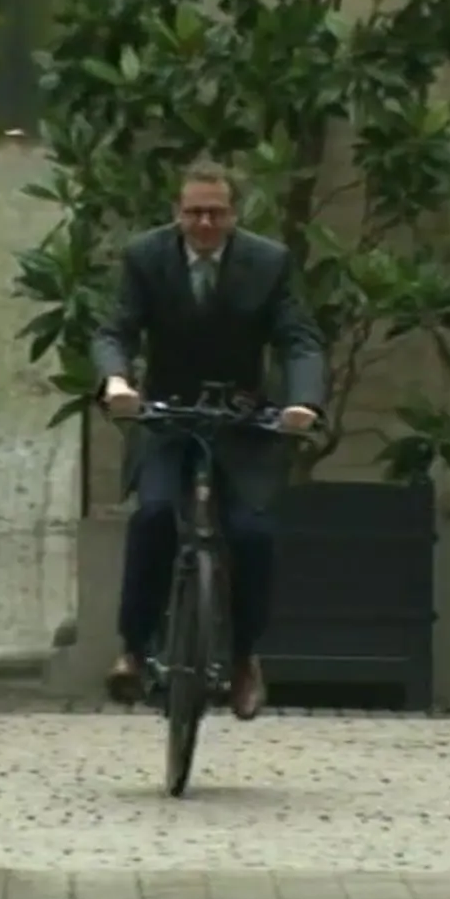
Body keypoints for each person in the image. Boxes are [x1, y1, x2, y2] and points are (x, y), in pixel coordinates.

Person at [91, 157, 326, 720]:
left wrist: (303, 402)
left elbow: (298, 338)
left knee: (252, 535)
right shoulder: (146, 256)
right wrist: (117, 382)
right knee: (153, 518)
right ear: (177, 212)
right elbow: (116, 328)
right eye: (194, 212)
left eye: (215, 213)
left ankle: (244, 658)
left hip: (240, 420)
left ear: (234, 215)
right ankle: (134, 649)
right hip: (168, 417)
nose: (204, 224)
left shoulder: (267, 262)